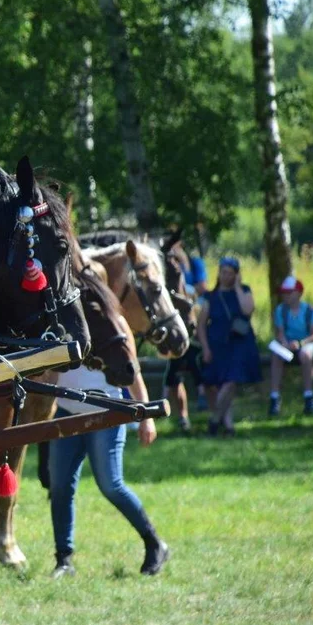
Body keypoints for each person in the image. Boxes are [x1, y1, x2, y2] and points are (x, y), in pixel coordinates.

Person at [50, 366, 169, 578]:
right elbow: (50, 372)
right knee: (59, 487)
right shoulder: (63, 331)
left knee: (111, 485)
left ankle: (155, 543)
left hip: (107, 414)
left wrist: (147, 417)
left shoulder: (113, 330)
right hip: (66, 413)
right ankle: (64, 560)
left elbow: (132, 370)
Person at [199, 256, 260, 436]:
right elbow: (201, 324)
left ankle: (214, 419)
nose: (225, 276)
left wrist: (238, 287)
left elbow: (247, 310)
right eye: (222, 272)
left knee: (231, 382)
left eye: (230, 273)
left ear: (236, 274)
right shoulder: (210, 297)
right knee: (217, 384)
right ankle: (228, 425)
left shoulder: (245, 291)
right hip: (217, 345)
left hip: (240, 345)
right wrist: (205, 348)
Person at [164, 235, 209, 431]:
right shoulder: (163, 265)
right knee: (177, 364)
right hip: (173, 322)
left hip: (192, 320)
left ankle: (185, 404)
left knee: (187, 361)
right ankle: (182, 411)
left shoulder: (193, 263)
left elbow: (202, 289)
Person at [269, 276, 313, 415]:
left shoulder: (310, 311)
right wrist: (285, 343)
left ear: (298, 293)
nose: (285, 295)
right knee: (276, 355)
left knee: (305, 355)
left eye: (289, 292)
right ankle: (274, 398)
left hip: (307, 344)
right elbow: (280, 333)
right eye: (284, 292)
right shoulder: (281, 310)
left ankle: (308, 396)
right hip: (289, 345)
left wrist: (300, 343)